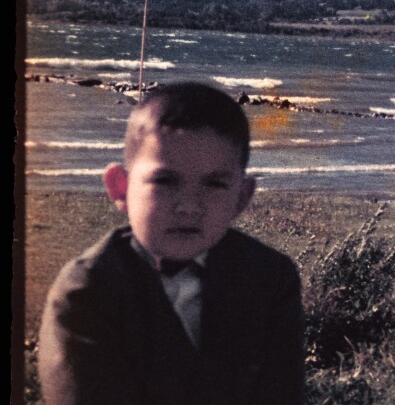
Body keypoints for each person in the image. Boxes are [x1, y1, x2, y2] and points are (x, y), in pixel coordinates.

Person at [38, 82, 305, 405]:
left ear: (242, 197)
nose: (189, 206)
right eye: (165, 181)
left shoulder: (269, 278)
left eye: (214, 183)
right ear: (120, 188)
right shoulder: (87, 292)